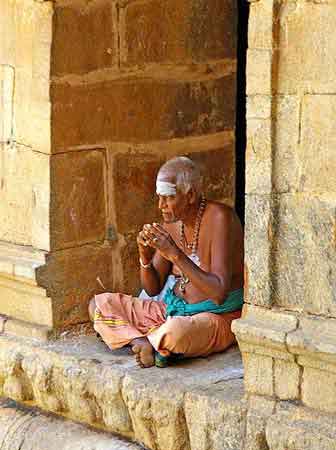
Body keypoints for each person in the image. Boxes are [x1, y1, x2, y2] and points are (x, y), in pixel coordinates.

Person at [89, 156, 244, 368]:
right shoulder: (171, 224)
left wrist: (175, 254)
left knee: (177, 333)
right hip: (170, 311)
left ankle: (151, 341)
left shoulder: (220, 218)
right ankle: (142, 342)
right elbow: (153, 289)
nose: (161, 206)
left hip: (215, 317)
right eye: (159, 198)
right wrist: (144, 256)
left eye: (168, 198)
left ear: (189, 195)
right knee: (99, 305)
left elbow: (218, 294)